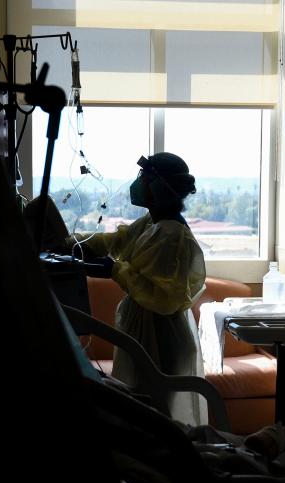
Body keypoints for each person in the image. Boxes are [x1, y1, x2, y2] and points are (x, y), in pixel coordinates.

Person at [67, 152, 207, 426]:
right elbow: (119, 241)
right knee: (138, 409)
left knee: (154, 415)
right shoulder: (154, 222)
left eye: (145, 178)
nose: (139, 183)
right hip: (145, 329)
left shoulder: (170, 234)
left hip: (161, 335)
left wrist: (114, 270)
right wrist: (72, 243)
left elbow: (162, 298)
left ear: (158, 188)